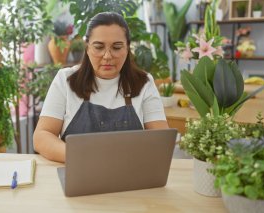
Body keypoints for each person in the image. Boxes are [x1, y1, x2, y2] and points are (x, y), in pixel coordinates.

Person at [33, 12, 169, 163]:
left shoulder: (144, 82)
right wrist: (82, 158)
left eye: (117, 47)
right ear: (87, 47)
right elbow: (42, 136)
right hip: (78, 173)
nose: (107, 56)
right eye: (99, 47)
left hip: (130, 176)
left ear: (127, 48)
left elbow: (161, 141)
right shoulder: (66, 79)